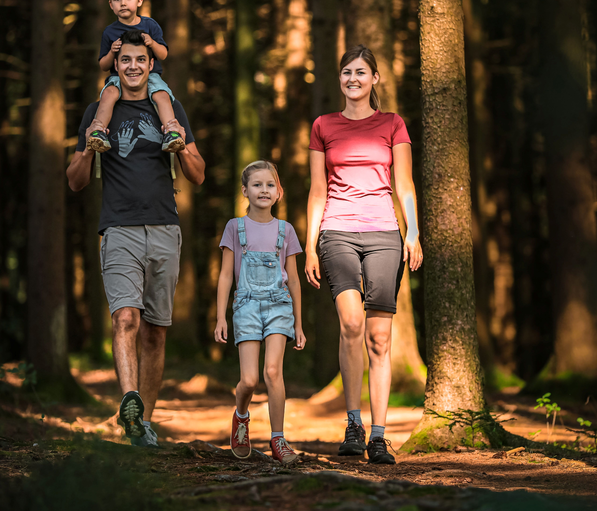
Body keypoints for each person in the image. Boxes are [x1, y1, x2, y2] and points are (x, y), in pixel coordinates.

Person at [67, 29, 206, 447]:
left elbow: (198, 174)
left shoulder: (169, 107)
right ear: (116, 64)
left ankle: (142, 424)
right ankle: (130, 403)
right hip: (119, 229)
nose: (132, 66)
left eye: (140, 60)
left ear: (150, 65)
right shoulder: (99, 112)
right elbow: (75, 180)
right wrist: (89, 149)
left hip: (164, 227)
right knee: (125, 318)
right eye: (125, 60)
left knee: (155, 332)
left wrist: (181, 148)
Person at [304, 45, 423, 465]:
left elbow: (404, 184)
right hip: (337, 231)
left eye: (360, 72)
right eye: (346, 72)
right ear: (340, 79)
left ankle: (379, 435)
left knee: (380, 338)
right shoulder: (323, 125)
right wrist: (310, 245)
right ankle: (353, 424)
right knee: (352, 324)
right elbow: (317, 191)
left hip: (384, 234)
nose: (352, 79)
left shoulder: (392, 124)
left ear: (375, 79)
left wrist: (413, 232)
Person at [214, 160, 306, 465]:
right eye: (257, 185)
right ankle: (241, 416)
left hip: (279, 305)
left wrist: (299, 324)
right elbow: (225, 275)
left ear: (279, 192)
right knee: (250, 380)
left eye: (270, 185)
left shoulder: (286, 230)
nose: (264, 190)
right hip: (246, 305)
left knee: (273, 372)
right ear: (245, 191)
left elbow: (294, 280)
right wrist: (220, 317)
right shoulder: (234, 227)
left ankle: (278, 439)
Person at [87, 0, 185, 155]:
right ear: (111, 4)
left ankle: (171, 132)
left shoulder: (150, 25)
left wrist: (152, 43)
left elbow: (163, 54)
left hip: (150, 75)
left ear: (139, 1)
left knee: (162, 94)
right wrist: (112, 52)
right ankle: (98, 132)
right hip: (119, 77)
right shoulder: (109, 32)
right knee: (108, 93)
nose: (123, 3)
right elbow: (103, 65)